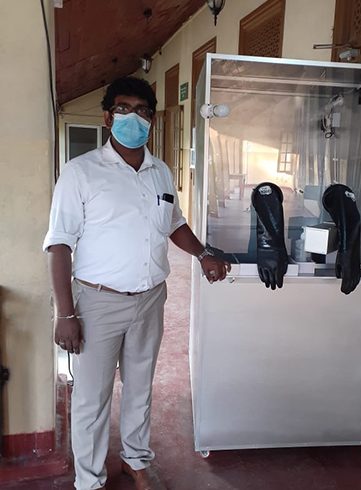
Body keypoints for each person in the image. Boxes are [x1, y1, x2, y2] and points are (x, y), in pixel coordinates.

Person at [43, 76, 230, 490]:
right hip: (98, 303)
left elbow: (174, 223)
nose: (134, 117)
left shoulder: (160, 171)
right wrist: (65, 313)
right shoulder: (80, 173)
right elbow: (59, 244)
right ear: (108, 117)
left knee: (140, 388)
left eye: (143, 111)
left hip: (150, 300)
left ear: (152, 120)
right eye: (124, 109)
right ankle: (89, 480)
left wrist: (203, 254)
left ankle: (136, 460)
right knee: (92, 398)